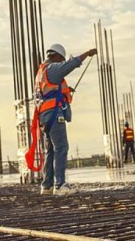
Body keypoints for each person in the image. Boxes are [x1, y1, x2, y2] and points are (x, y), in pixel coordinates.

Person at [34, 43, 97, 196]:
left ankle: (47, 186)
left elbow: (48, 91)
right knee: (61, 148)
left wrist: (66, 91)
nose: (61, 62)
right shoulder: (53, 68)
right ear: (56, 56)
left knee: (50, 151)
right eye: (60, 59)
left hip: (44, 116)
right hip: (54, 115)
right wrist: (87, 53)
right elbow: (71, 64)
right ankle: (60, 185)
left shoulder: (41, 72)